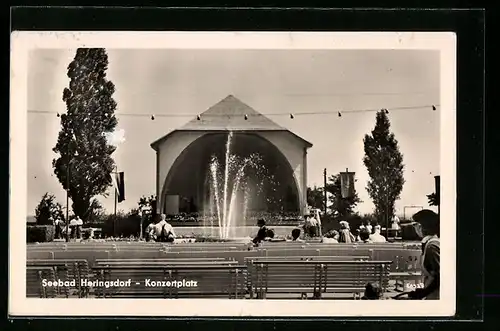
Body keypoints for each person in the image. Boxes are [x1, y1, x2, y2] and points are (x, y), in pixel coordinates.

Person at [408, 211, 440, 300]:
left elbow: (440, 276)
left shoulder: (432, 246)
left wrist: (423, 293)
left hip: (436, 297)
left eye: (414, 225)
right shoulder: (430, 244)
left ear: (420, 226)